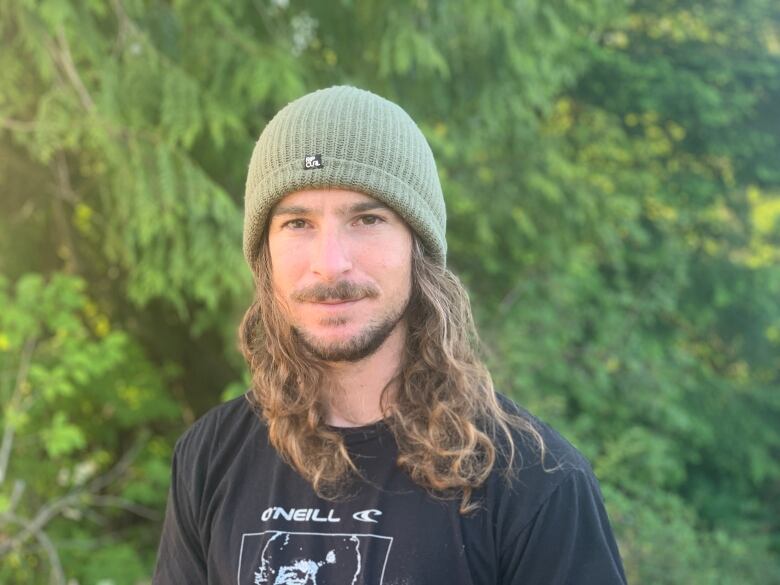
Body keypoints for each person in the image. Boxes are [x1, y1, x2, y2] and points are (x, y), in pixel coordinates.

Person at [153, 85, 627, 584]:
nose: (330, 264)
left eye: (368, 219)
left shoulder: (534, 482)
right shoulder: (209, 457)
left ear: (418, 249)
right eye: (297, 223)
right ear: (265, 256)